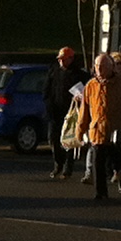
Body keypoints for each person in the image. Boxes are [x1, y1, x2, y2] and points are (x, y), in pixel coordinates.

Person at [75, 50, 121, 200]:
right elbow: (84, 110)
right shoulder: (91, 85)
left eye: (102, 66)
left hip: (116, 131)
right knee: (98, 162)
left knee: (117, 159)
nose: (99, 70)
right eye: (97, 66)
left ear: (111, 67)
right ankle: (101, 193)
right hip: (97, 131)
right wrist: (80, 130)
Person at [43, 45, 83, 179]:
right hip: (55, 111)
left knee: (70, 140)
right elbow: (46, 90)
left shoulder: (79, 74)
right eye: (60, 59)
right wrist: (48, 105)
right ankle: (58, 163)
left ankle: (67, 168)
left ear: (71, 59)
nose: (61, 61)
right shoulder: (54, 71)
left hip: (71, 112)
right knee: (53, 138)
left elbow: (84, 91)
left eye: (64, 59)